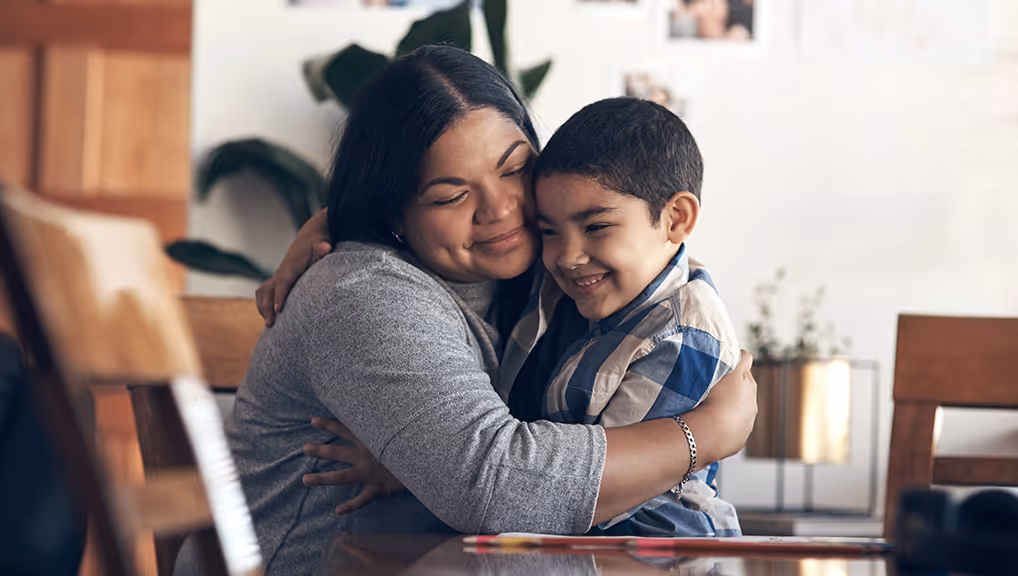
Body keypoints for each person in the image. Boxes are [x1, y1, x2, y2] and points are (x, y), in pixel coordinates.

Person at [193, 46, 756, 575]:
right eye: (450, 195)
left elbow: (651, 258)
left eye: (514, 168)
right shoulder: (364, 294)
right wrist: (706, 433)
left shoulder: (546, 269)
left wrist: (331, 219)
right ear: (393, 211)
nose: (501, 208)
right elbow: (499, 486)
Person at [501, 97, 740, 536]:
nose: (568, 257)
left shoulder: (684, 335)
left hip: (652, 542)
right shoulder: (580, 289)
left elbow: (600, 485)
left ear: (676, 220)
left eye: (596, 227)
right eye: (549, 231)